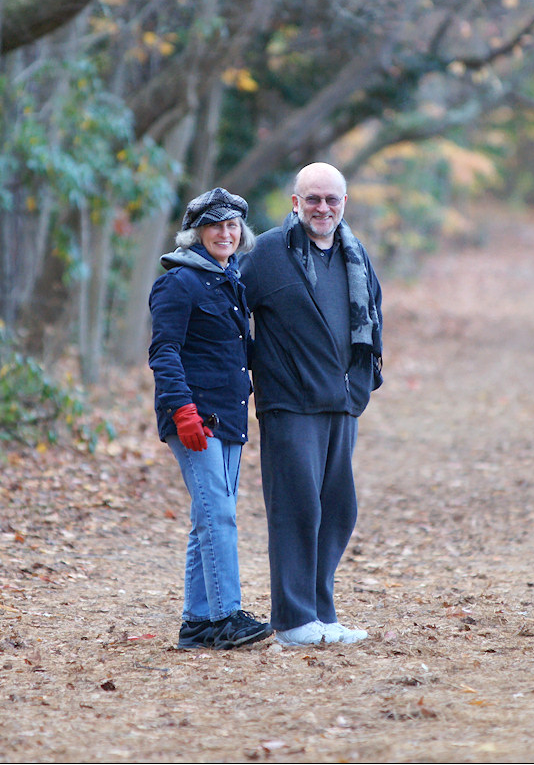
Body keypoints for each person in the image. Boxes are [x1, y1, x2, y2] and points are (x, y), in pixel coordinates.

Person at [239, 162, 383, 647]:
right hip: (289, 403)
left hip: (341, 403)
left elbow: (373, 321)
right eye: (313, 199)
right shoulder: (265, 254)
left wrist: (361, 386)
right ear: (295, 202)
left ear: (344, 204)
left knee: (337, 509)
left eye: (332, 200)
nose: (323, 208)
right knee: (297, 508)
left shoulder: (355, 253)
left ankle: (322, 614)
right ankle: (293, 620)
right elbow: (229, 314)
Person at [148, 187, 273, 650]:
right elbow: (164, 352)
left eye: (233, 225)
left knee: (209, 518)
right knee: (218, 516)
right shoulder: (179, 282)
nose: (226, 232)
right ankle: (225, 617)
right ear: (195, 233)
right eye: (216, 225)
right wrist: (182, 412)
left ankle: (197, 624)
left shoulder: (229, 280)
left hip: (229, 416)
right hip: (196, 420)